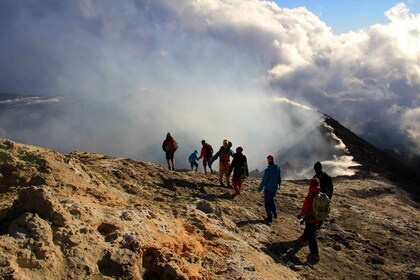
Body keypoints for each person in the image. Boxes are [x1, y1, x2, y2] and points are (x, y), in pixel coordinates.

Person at [297, 177, 321, 261]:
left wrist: (300, 215)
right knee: (309, 229)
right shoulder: (319, 194)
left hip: (310, 218)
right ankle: (303, 239)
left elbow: (305, 208)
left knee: (311, 235)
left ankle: (315, 253)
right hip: (317, 217)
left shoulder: (310, 196)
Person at [257, 155, 281, 224]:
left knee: (267, 203)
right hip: (274, 188)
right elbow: (279, 178)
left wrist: (259, 189)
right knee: (272, 200)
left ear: (268, 161)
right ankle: (275, 213)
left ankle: (269, 218)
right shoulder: (278, 168)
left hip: (268, 189)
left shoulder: (268, 170)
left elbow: (264, 181)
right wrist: (279, 185)